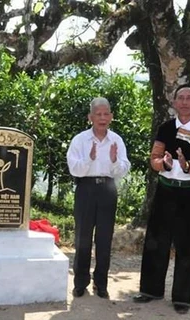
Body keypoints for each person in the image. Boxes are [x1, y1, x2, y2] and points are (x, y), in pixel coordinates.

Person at [133, 84, 190, 314]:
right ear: (173, 102)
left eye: (189, 97)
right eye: (180, 97)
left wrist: (188, 165)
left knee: (187, 245)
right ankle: (150, 290)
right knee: (155, 241)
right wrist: (165, 163)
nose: (184, 101)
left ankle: (182, 298)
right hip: (166, 189)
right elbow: (154, 159)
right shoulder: (165, 128)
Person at [67, 97, 131, 299]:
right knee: (82, 238)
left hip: (108, 191)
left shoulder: (117, 140)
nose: (102, 118)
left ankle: (101, 283)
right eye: (98, 114)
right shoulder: (79, 140)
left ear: (111, 116)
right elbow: (74, 169)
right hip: (85, 189)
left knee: (104, 239)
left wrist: (113, 161)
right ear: (90, 117)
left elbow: (123, 169)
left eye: (106, 114)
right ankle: (80, 283)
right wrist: (90, 158)